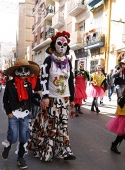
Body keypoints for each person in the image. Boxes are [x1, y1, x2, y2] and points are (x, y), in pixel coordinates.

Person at [27, 31, 76, 161]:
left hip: (64, 99)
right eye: (59, 43)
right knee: (51, 125)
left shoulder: (68, 62)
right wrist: (45, 96)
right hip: (52, 99)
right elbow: (43, 79)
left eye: (64, 44)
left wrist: (72, 99)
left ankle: (65, 150)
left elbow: (70, 81)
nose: (62, 46)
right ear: (54, 45)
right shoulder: (48, 60)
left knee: (63, 125)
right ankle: (46, 150)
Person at [2, 58, 40, 169]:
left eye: (26, 70)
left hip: (25, 115)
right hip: (13, 114)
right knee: (13, 137)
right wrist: (8, 112)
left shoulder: (28, 84)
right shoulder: (9, 84)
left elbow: (31, 98)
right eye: (20, 70)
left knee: (24, 137)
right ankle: (8, 145)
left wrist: (39, 103)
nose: (23, 73)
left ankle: (20, 158)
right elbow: (5, 100)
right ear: (15, 71)